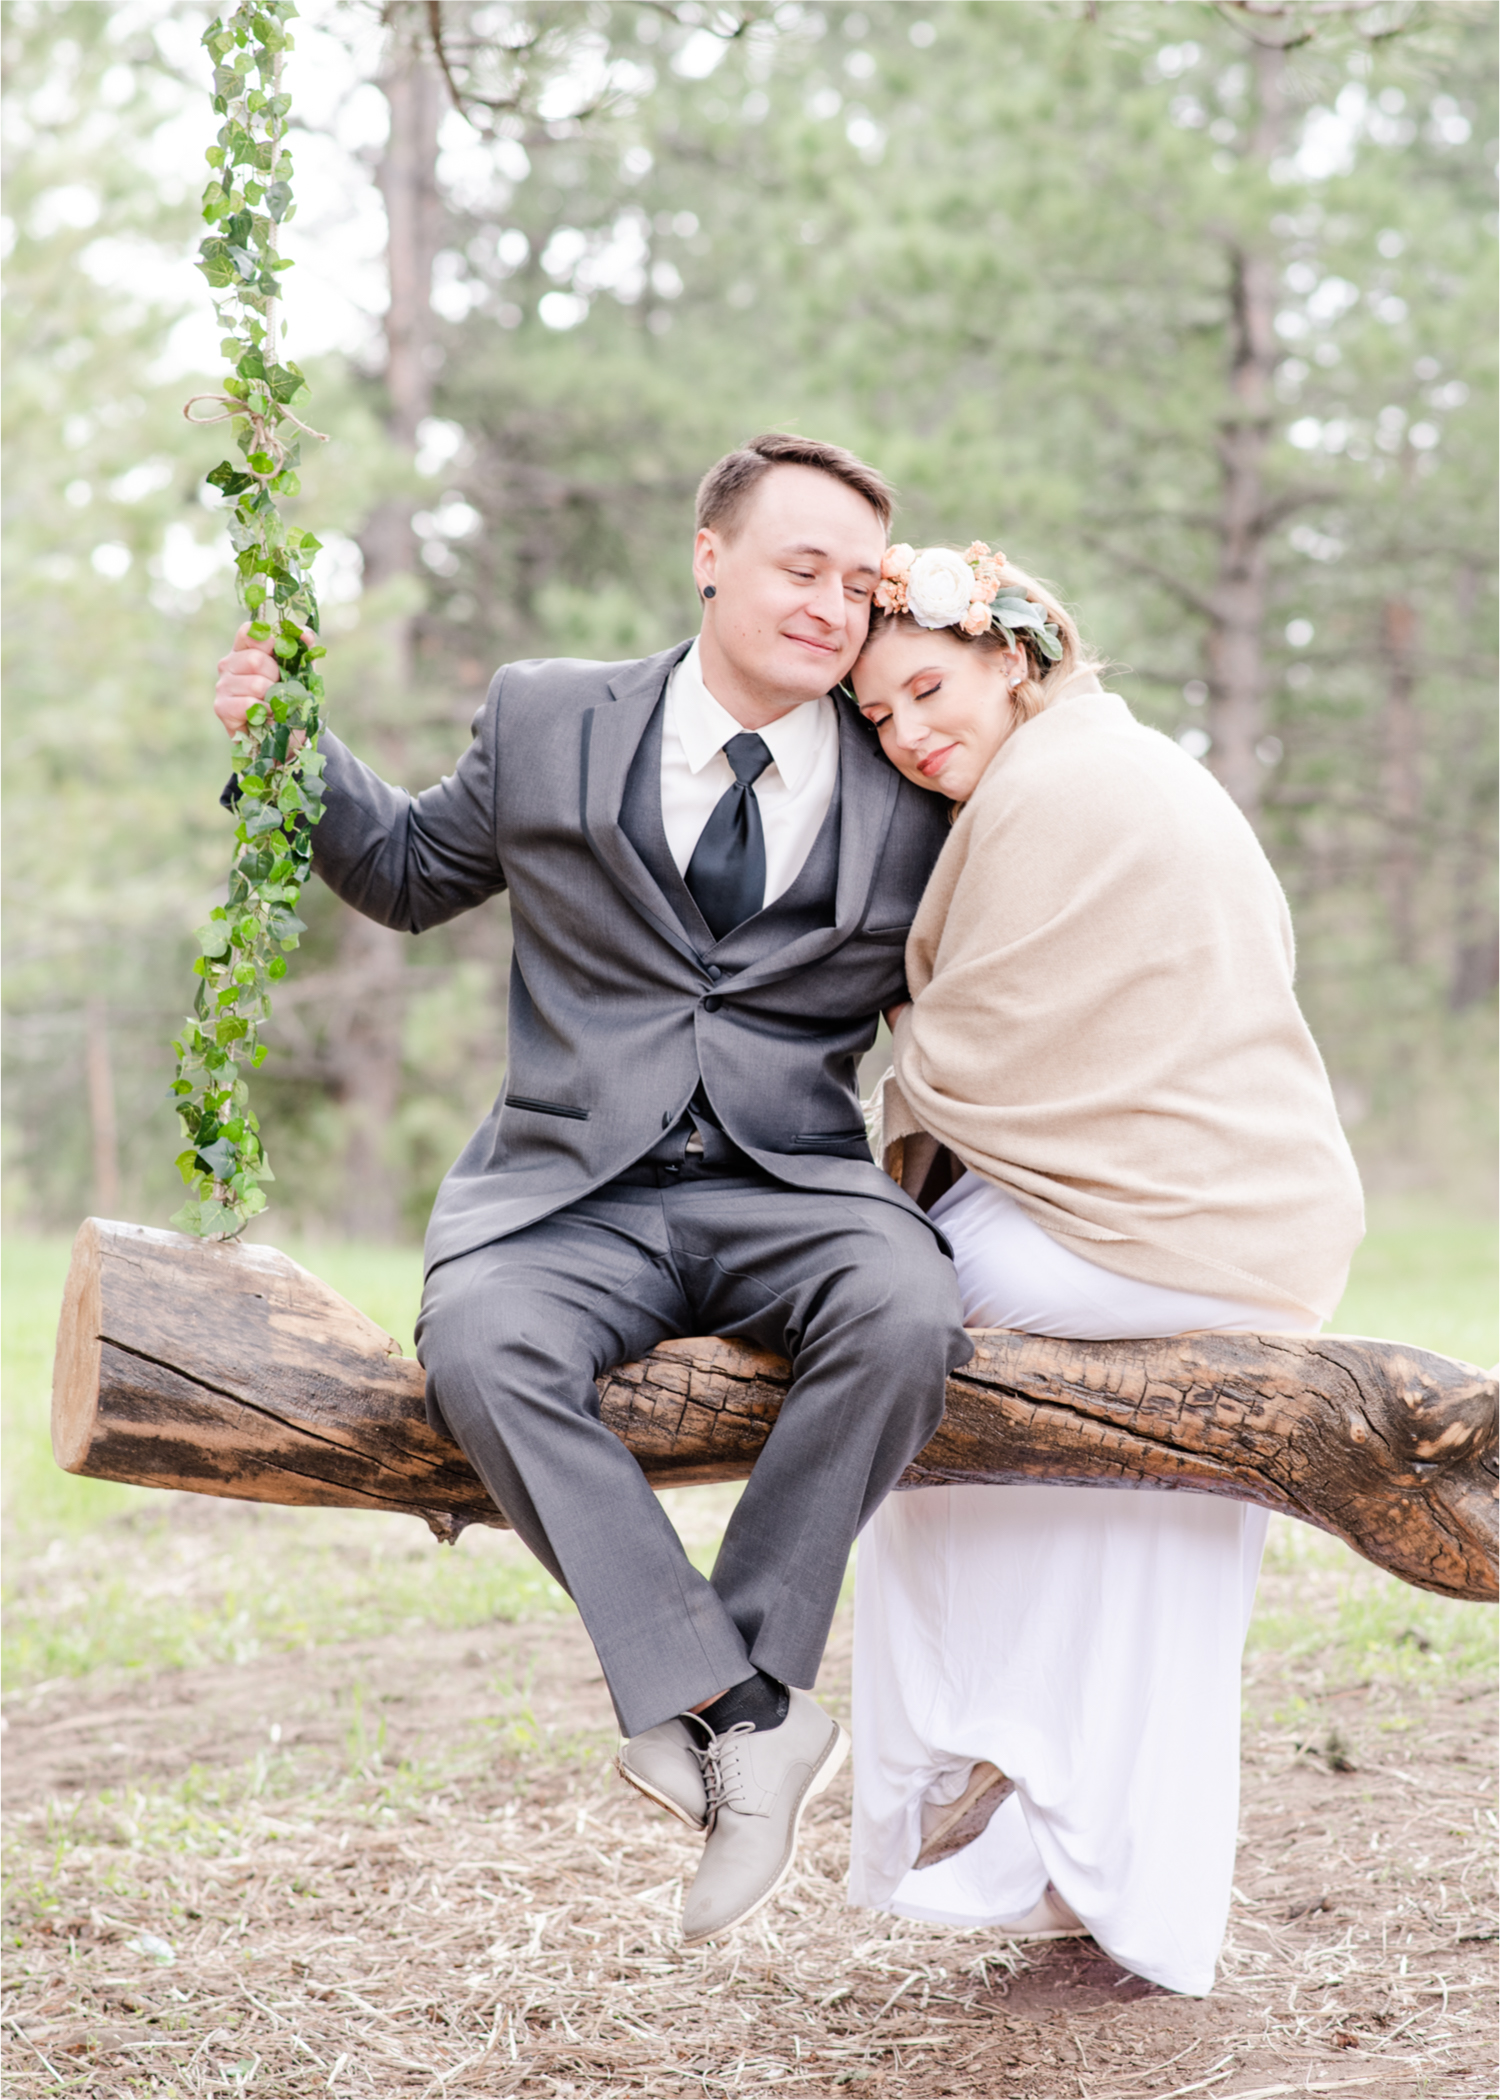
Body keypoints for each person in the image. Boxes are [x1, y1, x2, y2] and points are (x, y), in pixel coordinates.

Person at [211, 435, 973, 1947]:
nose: (832, 608)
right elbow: (414, 874)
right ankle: (736, 1704)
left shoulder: (908, 772)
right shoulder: (548, 715)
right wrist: (289, 744)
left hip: (791, 1183)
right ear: (711, 552)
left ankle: (738, 1698)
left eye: (858, 583)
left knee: (907, 1308)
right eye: (798, 568)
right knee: (482, 1346)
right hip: (570, 1191)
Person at [844, 539, 1364, 1996]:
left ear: (1013, 656)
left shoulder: (1059, 790)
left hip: (1157, 1226)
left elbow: (979, 1042)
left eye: (929, 688)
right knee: (1143, 1529)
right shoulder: (1117, 764)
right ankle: (1097, 1868)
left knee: (889, 1330)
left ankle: (982, 1743)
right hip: (1252, 1230)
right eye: (879, 718)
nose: (911, 732)